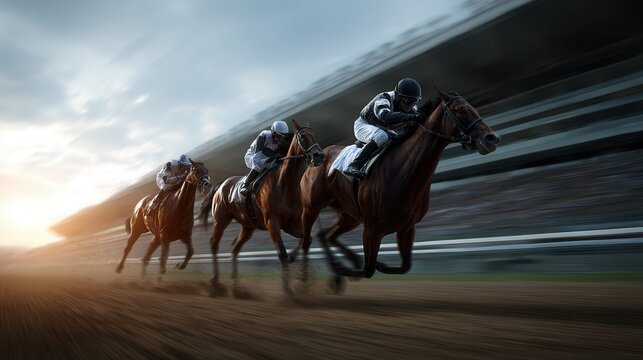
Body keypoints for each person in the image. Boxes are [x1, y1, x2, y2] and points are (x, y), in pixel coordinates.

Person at [343, 78, 422, 178]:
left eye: (414, 102)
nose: (411, 106)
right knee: (382, 136)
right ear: (398, 97)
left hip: (382, 129)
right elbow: (386, 117)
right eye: (409, 102)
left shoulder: (412, 108)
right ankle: (353, 165)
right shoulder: (384, 98)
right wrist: (411, 117)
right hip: (363, 125)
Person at [240, 120, 290, 196]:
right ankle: (245, 185)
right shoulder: (263, 136)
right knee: (259, 165)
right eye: (279, 136)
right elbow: (256, 160)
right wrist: (271, 158)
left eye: (283, 137)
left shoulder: (282, 140)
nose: (281, 139)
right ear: (273, 133)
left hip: (268, 158)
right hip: (252, 157)